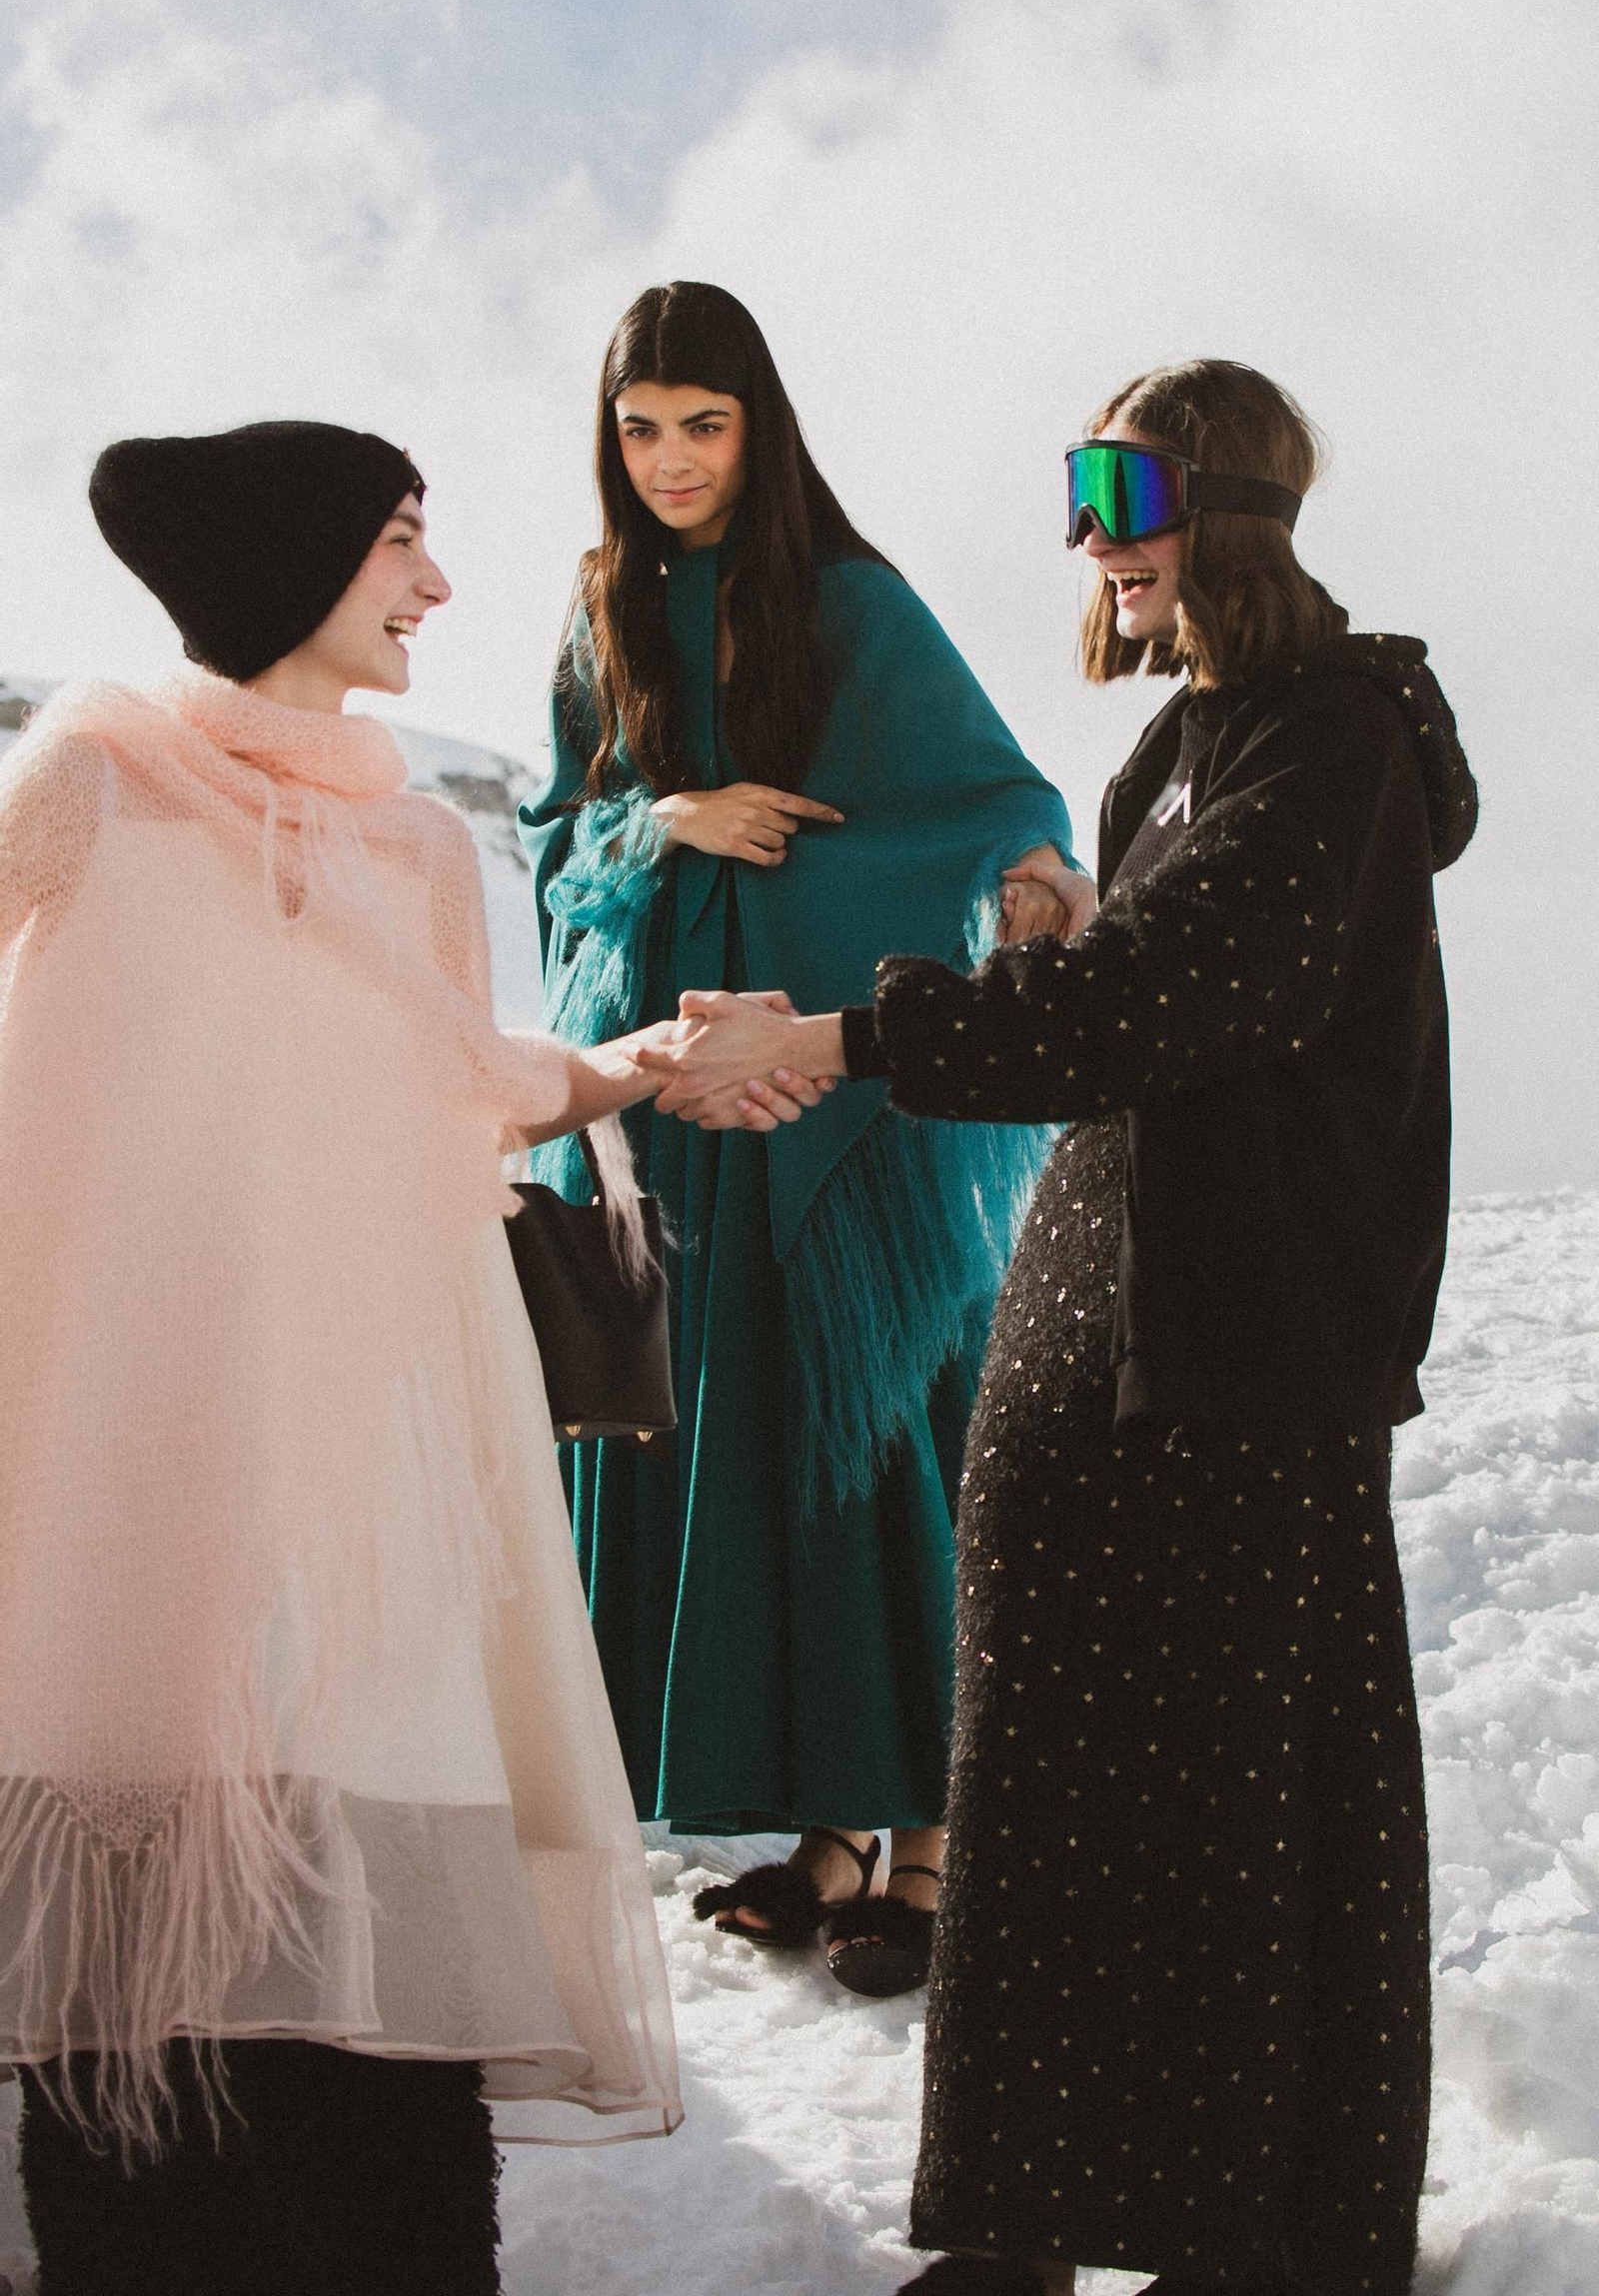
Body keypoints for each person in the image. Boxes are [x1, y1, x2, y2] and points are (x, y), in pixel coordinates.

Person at [644, 359, 1478, 2293]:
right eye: (1075, 488)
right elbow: (1137, 997)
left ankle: (1254, 2239)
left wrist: (850, 1035)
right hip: (1100, 1327)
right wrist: (1058, 936)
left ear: (1232, 500)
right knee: (1041, 1797)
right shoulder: (1176, 743)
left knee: (1223, 1817)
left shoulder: (1326, 735)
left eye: (1120, 485)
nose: (1085, 535)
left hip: (1237, 1352)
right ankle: (1020, 2229)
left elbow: (1196, 997)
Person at [0, 419, 736, 2296]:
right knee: (142, 1965)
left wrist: (631, 1069)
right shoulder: (91, 777)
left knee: (366, 2000)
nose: (437, 585)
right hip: (135, 1464)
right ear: (289, 566)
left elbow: (463, 1087)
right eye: (404, 541)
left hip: (363, 1481)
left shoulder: (410, 841)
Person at [518, 281, 1083, 1992]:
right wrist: (663, 816)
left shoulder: (848, 598)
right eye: (641, 427)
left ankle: (932, 1837)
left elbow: (995, 803)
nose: (673, 459)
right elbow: (557, 852)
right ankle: (833, 1826)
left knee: (871, 1433)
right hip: (676, 1098)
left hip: (826, 1102)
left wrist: (1012, 899)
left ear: (758, 426)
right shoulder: (599, 607)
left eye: (705, 423)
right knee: (738, 1431)